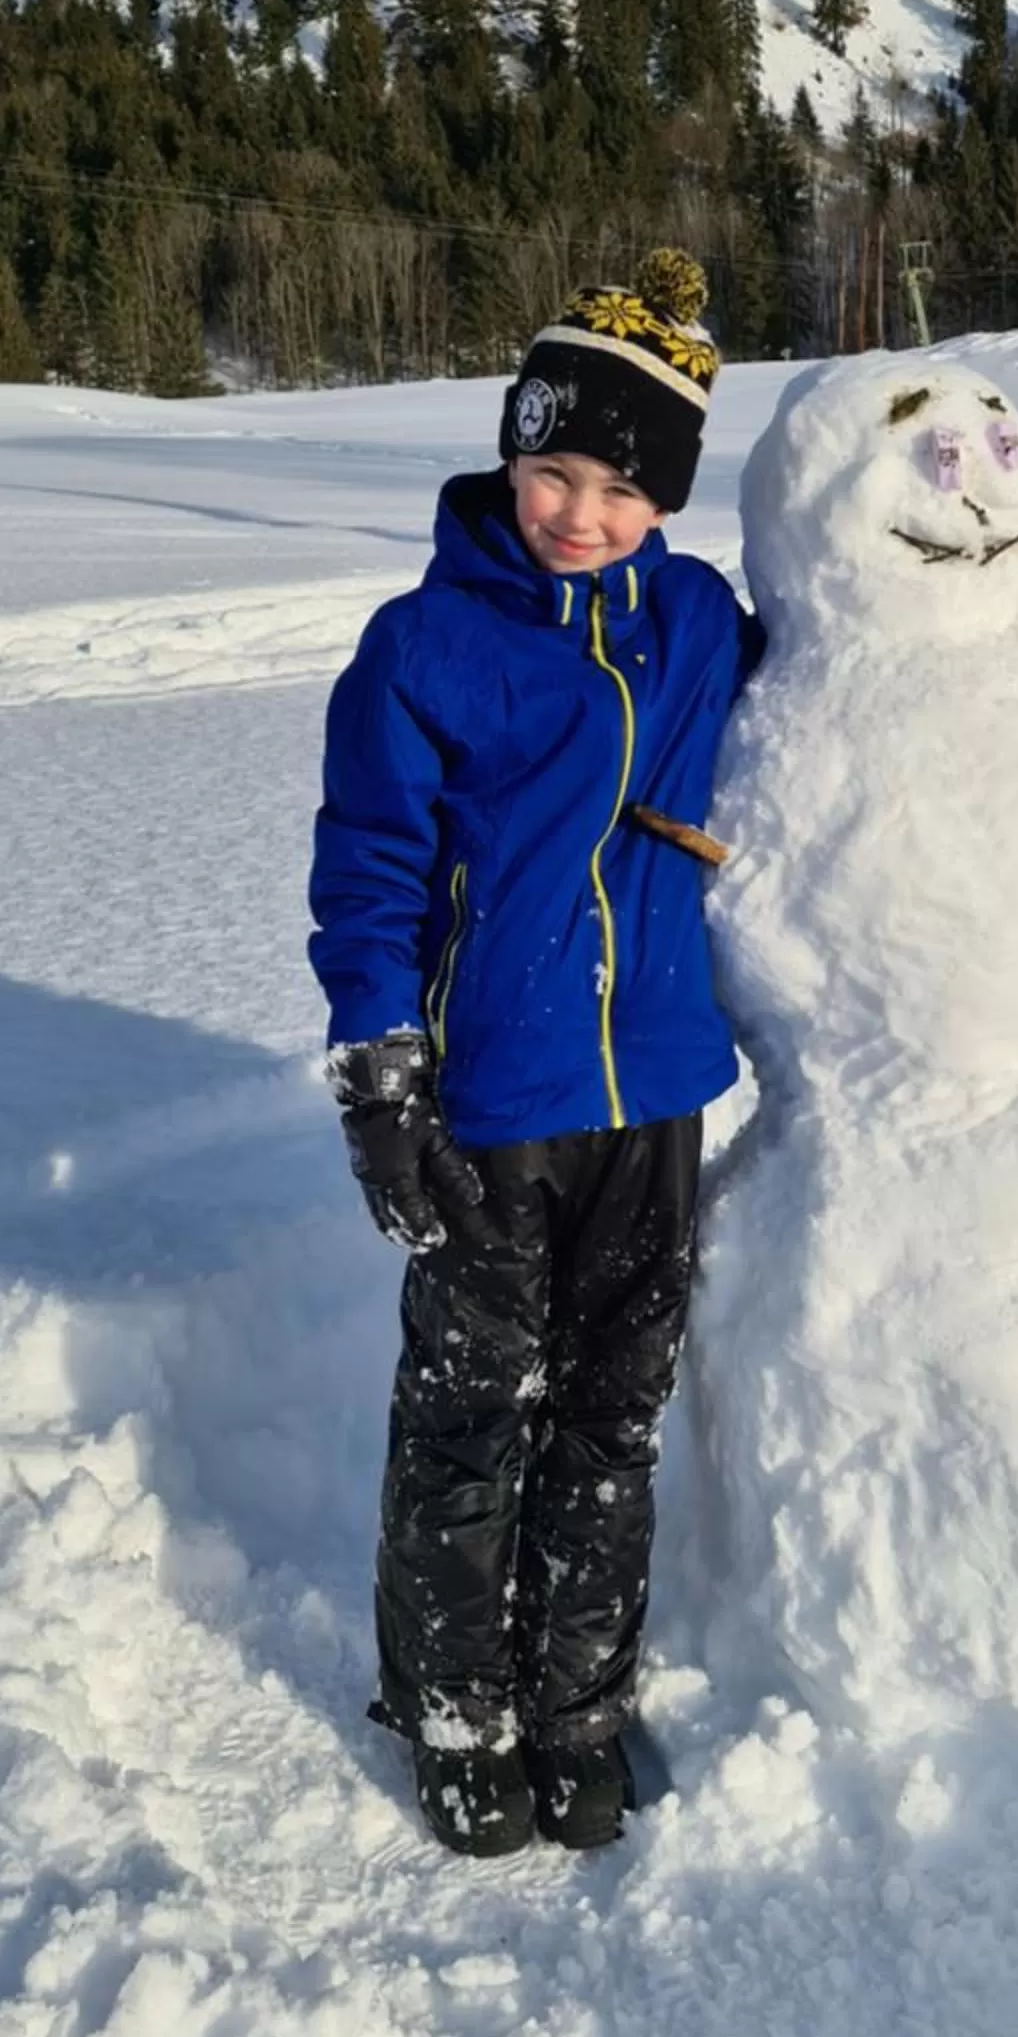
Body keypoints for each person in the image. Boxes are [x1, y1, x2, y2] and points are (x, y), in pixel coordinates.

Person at [309, 251, 757, 1857]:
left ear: (669, 501)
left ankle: (576, 1705)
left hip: (656, 1099)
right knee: (470, 1412)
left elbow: (843, 700)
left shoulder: (699, 622)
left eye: (622, 488)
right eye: (552, 467)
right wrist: (379, 1070)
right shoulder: (423, 647)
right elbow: (365, 866)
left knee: (610, 1416)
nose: (578, 511)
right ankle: (452, 1710)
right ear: (510, 452)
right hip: (491, 1103)